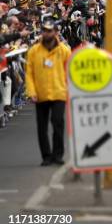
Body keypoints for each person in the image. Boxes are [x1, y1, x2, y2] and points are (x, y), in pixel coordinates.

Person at [25, 18, 71, 166]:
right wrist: (31, 91)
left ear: (55, 32)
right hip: (41, 93)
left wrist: (69, 89)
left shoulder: (64, 50)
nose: (47, 33)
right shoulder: (34, 51)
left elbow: (70, 70)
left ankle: (58, 155)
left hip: (59, 92)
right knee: (42, 127)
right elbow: (29, 73)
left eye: (49, 31)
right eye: (44, 30)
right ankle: (46, 156)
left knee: (58, 123)